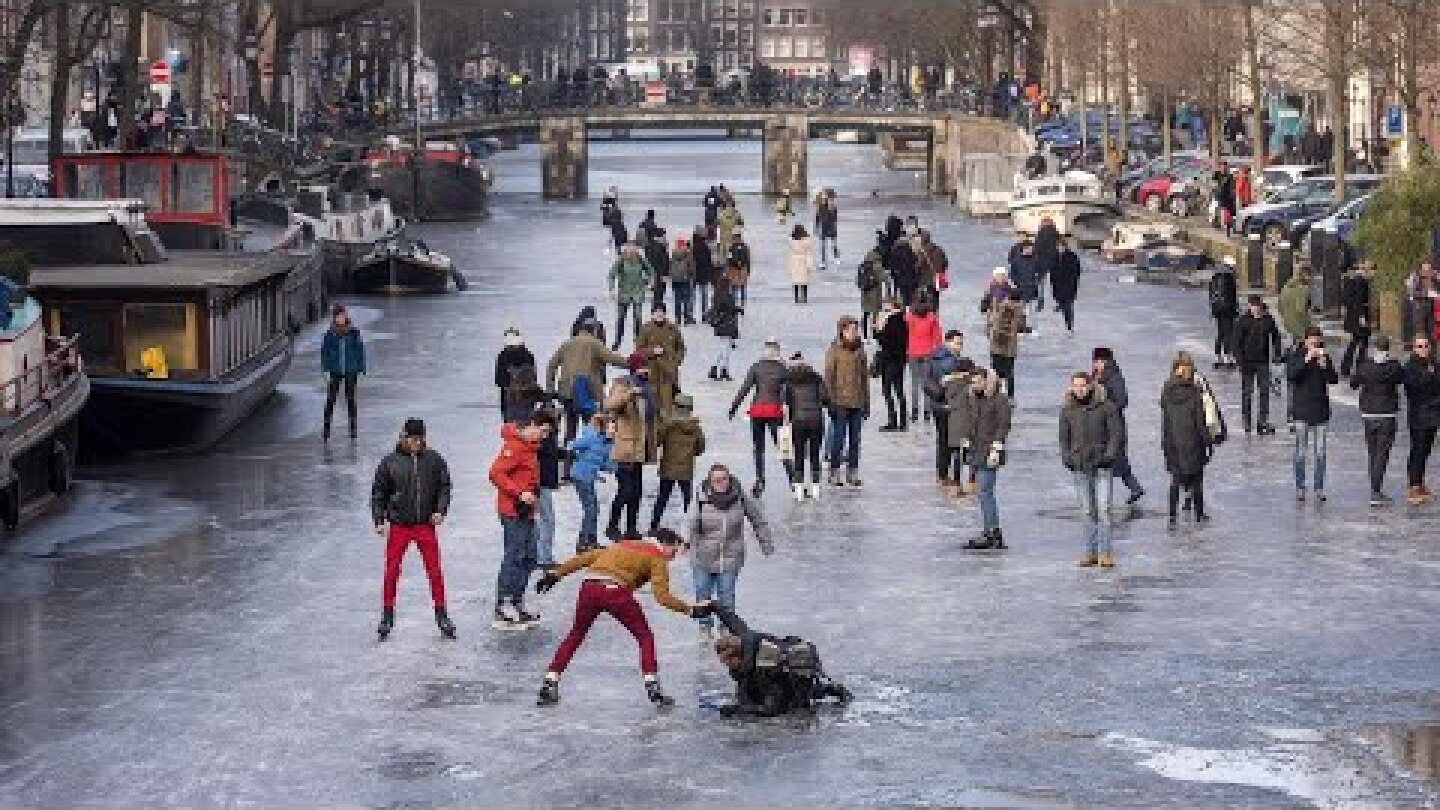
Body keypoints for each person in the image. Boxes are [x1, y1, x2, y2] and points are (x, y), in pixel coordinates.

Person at [534, 528, 713, 708]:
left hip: (589, 588)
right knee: (644, 636)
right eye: (673, 551)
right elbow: (662, 597)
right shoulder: (656, 557)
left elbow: (583, 559)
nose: (672, 557)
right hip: (615, 591)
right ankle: (653, 686)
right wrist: (690, 610)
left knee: (576, 634)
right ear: (665, 544)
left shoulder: (622, 545)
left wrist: (554, 575)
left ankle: (550, 681)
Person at [371, 418, 454, 640]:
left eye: (419, 439)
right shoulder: (390, 462)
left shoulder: (434, 460)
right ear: (403, 437)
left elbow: (445, 486)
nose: (415, 443)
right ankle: (387, 615)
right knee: (391, 571)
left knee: (434, 571)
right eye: (411, 439)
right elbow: (379, 493)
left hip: (425, 525)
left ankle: (441, 614)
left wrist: (440, 510)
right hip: (400, 525)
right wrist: (379, 520)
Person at [710, 605, 851, 716]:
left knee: (796, 699)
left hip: (795, 676)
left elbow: (773, 708)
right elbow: (733, 620)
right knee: (745, 693)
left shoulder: (765, 667)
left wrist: (739, 710)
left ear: (738, 658)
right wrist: (713, 606)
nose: (725, 665)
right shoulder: (745, 639)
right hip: (776, 668)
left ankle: (829, 689)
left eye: (727, 662)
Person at [688, 464, 774, 639]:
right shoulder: (700, 497)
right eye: (716, 480)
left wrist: (766, 543)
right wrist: (686, 541)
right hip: (703, 555)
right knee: (703, 593)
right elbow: (690, 522)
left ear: (730, 478)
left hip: (730, 555)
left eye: (724, 478)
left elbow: (758, 520)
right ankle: (705, 627)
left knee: (726, 595)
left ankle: (726, 627)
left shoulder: (739, 496)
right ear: (710, 482)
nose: (721, 483)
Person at [489, 416, 550, 628]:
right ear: (529, 426)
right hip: (512, 511)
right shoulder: (514, 446)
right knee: (514, 554)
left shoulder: (531, 447)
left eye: (545, 431)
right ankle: (503, 603)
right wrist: (519, 493)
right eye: (539, 428)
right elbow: (495, 473)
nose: (542, 433)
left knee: (531, 556)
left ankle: (516, 601)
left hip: (527, 512)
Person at [1059, 372, 1124, 569]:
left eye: (1082, 385)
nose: (1079, 389)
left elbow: (1116, 434)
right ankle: (1090, 553)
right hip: (1079, 464)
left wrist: (1109, 456)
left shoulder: (1106, 407)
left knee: (1103, 509)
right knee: (1088, 511)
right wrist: (1067, 458)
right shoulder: (1067, 410)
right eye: (1075, 386)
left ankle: (1105, 553)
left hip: (1102, 464)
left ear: (1090, 386)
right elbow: (1064, 438)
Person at [547, 320, 627, 475]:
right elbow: (612, 359)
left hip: (567, 393)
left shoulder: (567, 344)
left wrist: (551, 388)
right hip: (587, 394)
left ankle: (567, 471)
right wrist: (632, 363)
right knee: (591, 430)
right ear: (594, 330)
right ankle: (587, 468)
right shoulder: (594, 343)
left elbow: (551, 365)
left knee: (570, 431)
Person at [948, 366, 1011, 549]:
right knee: (983, 492)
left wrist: (997, 447)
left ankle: (993, 532)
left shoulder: (999, 400)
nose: (973, 385)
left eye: (977, 382)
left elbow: (1003, 425)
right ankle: (991, 530)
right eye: (972, 382)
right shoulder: (973, 398)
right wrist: (966, 442)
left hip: (990, 451)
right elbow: (970, 421)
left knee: (985, 491)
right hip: (976, 450)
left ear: (986, 381)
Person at [604, 352, 658, 540]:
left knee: (636, 492)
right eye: (643, 366)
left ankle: (631, 528)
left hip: (640, 449)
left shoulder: (647, 388)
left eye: (647, 366)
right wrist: (629, 394)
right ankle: (612, 526)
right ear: (635, 367)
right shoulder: (623, 384)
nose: (646, 369)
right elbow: (609, 404)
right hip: (626, 448)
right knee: (625, 490)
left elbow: (649, 417)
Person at [730, 337, 790, 496]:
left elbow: (745, 388)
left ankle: (760, 479)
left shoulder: (756, 367)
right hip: (774, 411)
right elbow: (787, 392)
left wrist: (734, 407)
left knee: (758, 448)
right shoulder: (783, 369)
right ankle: (793, 480)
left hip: (757, 410)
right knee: (782, 447)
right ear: (778, 351)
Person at [1160, 352, 1213, 528]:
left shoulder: (1166, 390)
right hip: (1192, 441)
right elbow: (1200, 420)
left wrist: (1165, 442)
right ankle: (1199, 514)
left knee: (1175, 480)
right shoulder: (1194, 391)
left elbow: (1165, 420)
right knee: (1196, 479)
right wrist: (1208, 441)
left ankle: (1172, 516)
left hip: (1173, 441)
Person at [1287, 326, 1339, 502]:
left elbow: (1334, 379)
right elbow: (1291, 375)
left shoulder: (1324, 356)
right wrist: (1306, 360)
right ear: (1305, 340)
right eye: (1311, 340)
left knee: (1320, 452)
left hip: (1321, 411)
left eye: (1317, 340)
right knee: (1301, 451)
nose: (1314, 343)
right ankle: (1300, 487)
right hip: (1302, 410)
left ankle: (1319, 487)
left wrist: (1325, 366)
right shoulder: (1297, 355)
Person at [1351, 336, 1405, 506]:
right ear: (1388, 349)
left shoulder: (1365, 366)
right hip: (1387, 414)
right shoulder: (1394, 367)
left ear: (1375, 348)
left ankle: (1375, 488)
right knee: (1382, 453)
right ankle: (1376, 491)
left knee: (1373, 452)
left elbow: (1353, 384)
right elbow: (1400, 380)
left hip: (1368, 414)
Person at [1093, 348, 1145, 505]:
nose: (1095, 364)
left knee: (1113, 460)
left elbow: (1122, 400)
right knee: (1117, 461)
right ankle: (1135, 488)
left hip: (1114, 425)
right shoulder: (1102, 376)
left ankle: (1102, 497)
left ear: (1104, 361)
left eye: (1097, 361)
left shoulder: (1114, 377)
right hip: (1105, 425)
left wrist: (1106, 409)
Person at [824, 316, 870, 487]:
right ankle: (834, 472)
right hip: (839, 402)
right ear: (843, 331)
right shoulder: (835, 350)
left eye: (856, 329)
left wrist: (867, 402)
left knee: (855, 440)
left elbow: (864, 378)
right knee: (838, 439)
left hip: (857, 401)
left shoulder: (860, 350)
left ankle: (853, 471)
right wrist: (829, 401)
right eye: (851, 329)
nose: (854, 332)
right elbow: (828, 376)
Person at [650, 393, 706, 531]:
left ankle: (654, 525)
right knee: (688, 499)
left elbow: (657, 441)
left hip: (668, 467)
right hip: (686, 469)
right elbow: (700, 448)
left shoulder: (668, 426)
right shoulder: (695, 428)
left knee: (662, 498)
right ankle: (692, 527)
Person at [926, 332, 973, 493]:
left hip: (937, 405)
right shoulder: (951, 362)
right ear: (947, 343)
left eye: (961, 344)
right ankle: (954, 478)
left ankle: (942, 474)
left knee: (943, 440)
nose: (959, 347)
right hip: (950, 405)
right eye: (957, 343)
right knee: (954, 442)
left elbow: (927, 380)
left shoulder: (933, 357)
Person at [1232, 295, 1285, 435]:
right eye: (1253, 306)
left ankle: (1263, 421)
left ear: (1260, 306)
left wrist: (1277, 353)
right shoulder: (1243, 321)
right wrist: (1239, 361)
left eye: (1257, 306)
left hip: (1263, 361)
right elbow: (1236, 343)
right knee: (1247, 393)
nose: (1255, 308)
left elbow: (1276, 336)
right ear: (1249, 306)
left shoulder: (1267, 320)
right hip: (1247, 363)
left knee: (1264, 393)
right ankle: (1247, 421)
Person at [783, 351, 829, 500]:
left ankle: (799, 489)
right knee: (815, 454)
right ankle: (815, 488)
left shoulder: (788, 380)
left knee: (799, 454)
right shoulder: (816, 377)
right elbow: (825, 399)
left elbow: (786, 404)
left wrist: (788, 420)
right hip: (816, 419)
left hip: (798, 420)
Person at [320, 303, 365, 442]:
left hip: (351, 369)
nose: (341, 318)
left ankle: (353, 428)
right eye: (338, 316)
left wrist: (362, 367)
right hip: (335, 370)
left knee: (350, 399)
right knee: (331, 400)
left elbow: (360, 350)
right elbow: (325, 352)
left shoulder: (354, 332)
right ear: (335, 318)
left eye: (343, 315)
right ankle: (326, 429)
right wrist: (325, 370)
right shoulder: (330, 334)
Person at [1403, 335, 1440, 505]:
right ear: (1414, 349)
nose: (1424, 349)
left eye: (1426, 346)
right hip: (1418, 415)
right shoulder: (1410, 366)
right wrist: (1429, 376)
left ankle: (1420, 482)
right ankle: (1413, 485)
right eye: (1420, 346)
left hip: (1433, 415)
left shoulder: (1434, 364)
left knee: (1425, 451)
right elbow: (1413, 387)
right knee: (1417, 451)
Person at [570, 415, 614, 551]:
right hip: (581, 476)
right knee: (590, 509)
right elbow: (573, 445)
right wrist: (581, 456)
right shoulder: (591, 437)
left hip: (589, 477)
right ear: (603, 427)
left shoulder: (606, 443)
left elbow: (606, 465)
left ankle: (591, 540)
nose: (613, 431)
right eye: (611, 428)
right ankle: (582, 542)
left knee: (594, 509)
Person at [636, 304, 686, 416]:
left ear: (664, 313)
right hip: (651, 373)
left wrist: (676, 361)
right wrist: (652, 351)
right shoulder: (646, 329)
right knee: (652, 405)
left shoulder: (672, 328)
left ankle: (667, 426)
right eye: (656, 312)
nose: (659, 314)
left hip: (668, 373)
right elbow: (638, 350)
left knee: (668, 404)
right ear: (652, 314)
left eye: (661, 312)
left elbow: (681, 347)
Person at [608, 243, 654, 350]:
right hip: (624, 293)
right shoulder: (621, 260)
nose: (630, 251)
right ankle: (617, 341)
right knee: (621, 318)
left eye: (632, 249)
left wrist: (647, 281)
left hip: (637, 292)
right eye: (628, 249)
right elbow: (612, 274)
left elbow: (650, 271)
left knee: (637, 317)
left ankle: (638, 341)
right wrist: (612, 288)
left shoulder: (640, 259)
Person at [905, 299, 942, 424]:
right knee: (927, 383)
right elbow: (938, 338)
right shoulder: (932, 318)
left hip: (913, 352)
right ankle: (926, 412)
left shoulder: (910, 317)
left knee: (914, 382)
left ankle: (915, 411)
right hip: (928, 353)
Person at [875, 299, 909, 432]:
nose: (884, 309)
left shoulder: (892, 321)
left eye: (886, 306)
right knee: (899, 391)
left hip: (890, 360)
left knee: (888, 391)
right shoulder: (903, 320)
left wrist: (878, 331)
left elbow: (885, 341)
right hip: (900, 360)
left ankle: (893, 420)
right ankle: (903, 421)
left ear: (893, 307)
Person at [985, 288, 1026, 398]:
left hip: (997, 345)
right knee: (1009, 372)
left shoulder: (1001, 307)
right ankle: (1010, 396)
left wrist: (990, 333)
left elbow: (992, 324)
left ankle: (995, 394)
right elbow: (1022, 328)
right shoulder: (1020, 311)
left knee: (996, 371)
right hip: (1010, 348)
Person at [1339, 260, 1374, 378]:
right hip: (1359, 317)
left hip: (1353, 317)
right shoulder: (1361, 282)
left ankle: (1346, 368)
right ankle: (1359, 369)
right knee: (1362, 344)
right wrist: (1362, 317)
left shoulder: (1353, 280)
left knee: (1355, 342)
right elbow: (1359, 301)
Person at [495, 326, 537, 421]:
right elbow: (533, 378)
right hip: (527, 396)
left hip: (509, 397)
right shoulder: (529, 355)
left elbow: (499, 380)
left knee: (510, 428)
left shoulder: (502, 356)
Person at [705, 275, 741, 381]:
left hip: (721, 324)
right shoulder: (727, 296)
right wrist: (737, 309)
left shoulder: (717, 295)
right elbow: (729, 308)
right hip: (727, 324)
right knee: (724, 348)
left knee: (724, 347)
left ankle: (719, 369)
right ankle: (720, 369)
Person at [1208, 256, 1241, 368]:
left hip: (1217, 309)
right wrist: (1235, 309)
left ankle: (1218, 355)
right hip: (1227, 309)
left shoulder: (1215, 276)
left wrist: (1213, 308)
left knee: (1221, 332)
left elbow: (1211, 294)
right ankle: (1227, 355)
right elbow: (1231, 296)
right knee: (1229, 332)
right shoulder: (1228, 277)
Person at [1050, 238, 1082, 333]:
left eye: (1061, 246)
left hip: (1069, 285)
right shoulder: (1055, 257)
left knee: (1068, 305)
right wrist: (1052, 281)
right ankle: (1061, 306)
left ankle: (1069, 326)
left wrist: (1073, 281)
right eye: (1058, 247)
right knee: (1062, 302)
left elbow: (1076, 271)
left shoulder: (1072, 257)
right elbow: (1052, 270)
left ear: (1065, 246)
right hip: (1058, 285)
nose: (1060, 248)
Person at [856, 242, 887, 340]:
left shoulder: (864, 263)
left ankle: (864, 335)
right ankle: (874, 334)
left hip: (865, 292)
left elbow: (858, 279)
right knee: (875, 314)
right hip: (875, 293)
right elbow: (883, 278)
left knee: (865, 313)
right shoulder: (877, 264)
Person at [1032, 217, 1060, 311]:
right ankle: (1058, 303)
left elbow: (1036, 248)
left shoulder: (1040, 234)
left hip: (1042, 262)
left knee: (1041, 284)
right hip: (1055, 261)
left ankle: (1040, 303)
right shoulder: (1057, 235)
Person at [670, 237, 697, 325]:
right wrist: (692, 276)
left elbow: (670, 267)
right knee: (686, 299)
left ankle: (678, 318)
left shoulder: (673, 255)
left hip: (675, 280)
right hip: (685, 280)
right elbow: (692, 267)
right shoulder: (688, 255)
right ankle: (686, 317)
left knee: (677, 299)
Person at [788, 223, 817, 304]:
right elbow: (809, 254)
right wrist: (810, 265)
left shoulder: (791, 241)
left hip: (795, 261)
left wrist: (790, 265)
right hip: (803, 261)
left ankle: (796, 298)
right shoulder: (806, 242)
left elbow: (790, 254)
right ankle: (804, 297)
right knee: (804, 282)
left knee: (796, 282)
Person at [693, 226, 716, 318]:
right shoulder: (705, 246)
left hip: (693, 274)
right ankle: (704, 314)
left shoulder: (691, 245)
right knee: (704, 295)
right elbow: (709, 261)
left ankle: (690, 314)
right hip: (704, 274)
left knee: (692, 296)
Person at [726, 230, 753, 308]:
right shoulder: (744, 247)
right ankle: (739, 303)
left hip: (736, 269)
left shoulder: (732, 247)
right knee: (739, 287)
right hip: (739, 269)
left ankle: (740, 303)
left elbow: (729, 259)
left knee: (739, 287)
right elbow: (747, 259)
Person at [814, 190, 839, 268]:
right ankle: (823, 261)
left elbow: (835, 218)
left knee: (834, 244)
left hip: (831, 227)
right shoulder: (820, 207)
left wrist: (831, 209)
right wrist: (817, 228)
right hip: (824, 227)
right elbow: (817, 218)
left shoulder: (833, 207)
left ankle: (836, 257)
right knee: (823, 246)